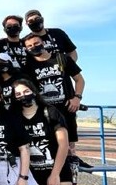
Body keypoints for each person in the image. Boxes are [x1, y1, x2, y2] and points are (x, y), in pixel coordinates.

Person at [22, 34, 85, 163]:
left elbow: (79, 80)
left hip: (67, 108)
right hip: (46, 112)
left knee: (69, 147)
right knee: (50, 147)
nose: (33, 47)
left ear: (43, 43)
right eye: (29, 46)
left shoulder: (62, 58)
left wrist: (77, 97)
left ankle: (70, 176)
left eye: (36, 43)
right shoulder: (28, 66)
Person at [12, 79, 71, 185]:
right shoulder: (16, 118)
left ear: (33, 91)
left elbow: (63, 145)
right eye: (18, 94)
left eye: (26, 91)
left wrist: (55, 175)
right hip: (33, 174)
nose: (23, 96)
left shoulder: (50, 112)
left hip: (57, 170)